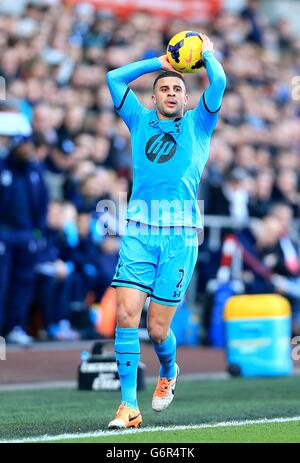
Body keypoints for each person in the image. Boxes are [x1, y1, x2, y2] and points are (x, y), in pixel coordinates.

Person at [106, 33, 226, 428]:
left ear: (187, 99)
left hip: (179, 237)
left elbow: (220, 82)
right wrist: (158, 62)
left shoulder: (199, 124)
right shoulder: (139, 119)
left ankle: (169, 371)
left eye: (178, 89)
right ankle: (128, 405)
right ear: (153, 98)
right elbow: (114, 78)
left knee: (158, 331)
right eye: (165, 89)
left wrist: (205, 54)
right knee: (125, 316)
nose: (172, 93)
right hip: (139, 231)